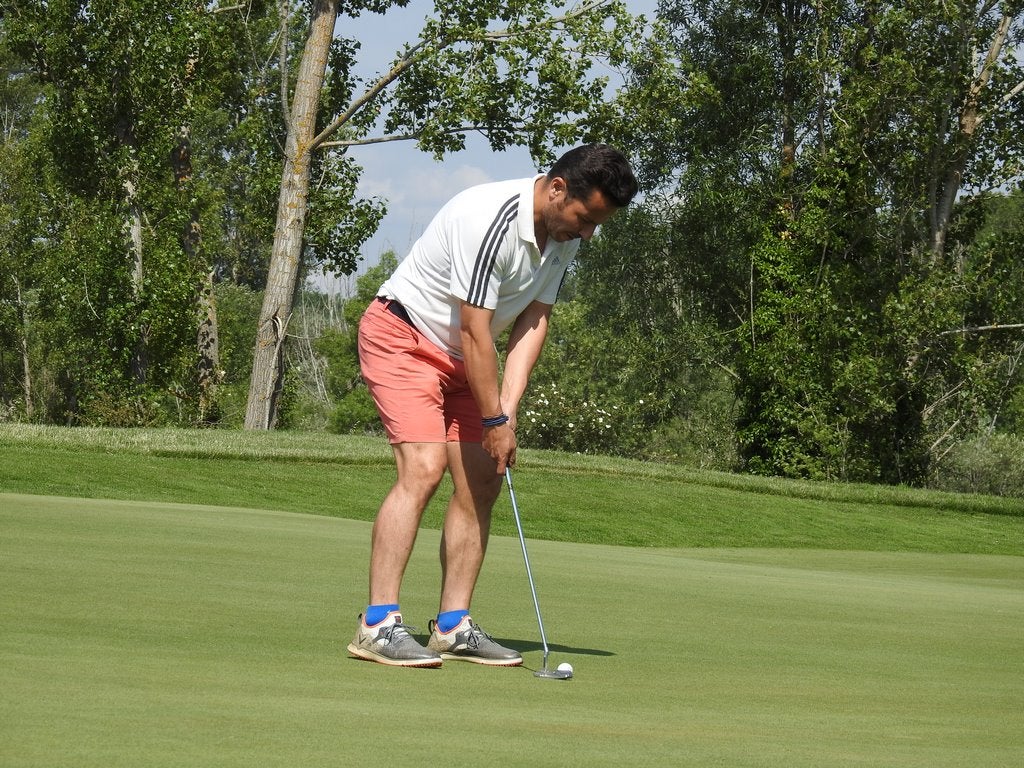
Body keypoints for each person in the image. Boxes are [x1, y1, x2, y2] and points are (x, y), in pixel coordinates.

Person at [347, 144, 638, 667]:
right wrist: (494, 419)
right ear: (557, 189)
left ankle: (453, 625)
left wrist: (507, 406)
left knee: (483, 476)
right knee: (424, 467)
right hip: (403, 335)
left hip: (463, 357)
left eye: (598, 223)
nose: (589, 232)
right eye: (585, 217)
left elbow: (534, 319)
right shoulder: (490, 219)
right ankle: (377, 625)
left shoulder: (564, 235)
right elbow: (475, 327)